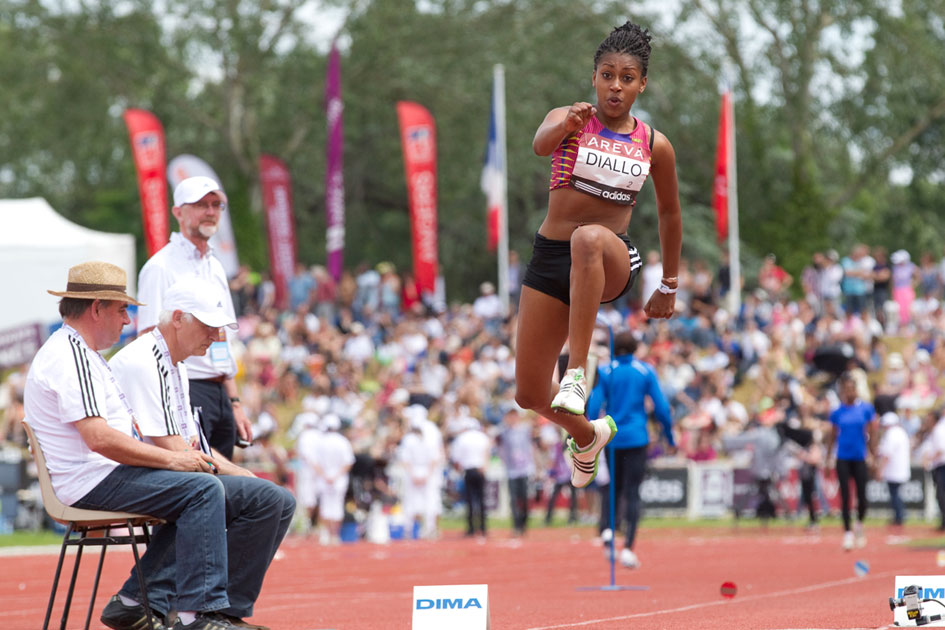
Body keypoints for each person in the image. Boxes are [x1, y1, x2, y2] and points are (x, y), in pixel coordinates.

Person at [514, 21, 681, 489]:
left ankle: (577, 373)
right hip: (551, 258)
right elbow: (540, 145)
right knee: (529, 393)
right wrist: (565, 125)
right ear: (594, 78)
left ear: (641, 84)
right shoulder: (569, 117)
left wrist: (669, 283)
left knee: (587, 237)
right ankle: (589, 435)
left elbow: (670, 213)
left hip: (610, 257)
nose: (615, 86)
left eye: (627, 78)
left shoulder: (654, 144)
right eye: (607, 75)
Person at [24, 262, 236, 630]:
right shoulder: (71, 355)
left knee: (199, 490)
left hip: (96, 476)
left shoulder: (81, 352)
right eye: (122, 309)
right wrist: (173, 460)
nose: (127, 320)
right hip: (89, 481)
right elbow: (99, 438)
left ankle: (136, 601)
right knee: (202, 491)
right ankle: (194, 616)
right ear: (96, 309)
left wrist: (173, 462)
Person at [109, 276, 296, 629]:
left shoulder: (175, 364)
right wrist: (230, 475)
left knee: (275, 498)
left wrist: (240, 473)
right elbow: (170, 446)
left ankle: (212, 610)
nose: (216, 335)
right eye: (208, 326)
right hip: (131, 475)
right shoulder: (143, 361)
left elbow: (194, 445)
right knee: (214, 492)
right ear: (178, 318)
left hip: (157, 471)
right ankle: (191, 611)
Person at [137, 176, 252, 460]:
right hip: (187, 387)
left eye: (216, 205)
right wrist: (169, 403)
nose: (211, 211)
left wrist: (234, 402)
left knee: (223, 479)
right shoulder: (160, 267)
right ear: (178, 212)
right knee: (201, 476)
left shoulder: (215, 266)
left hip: (219, 391)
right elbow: (148, 341)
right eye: (201, 204)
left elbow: (223, 337)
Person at [586, 331, 674, 569]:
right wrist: (669, 435)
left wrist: (590, 432)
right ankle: (627, 548)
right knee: (633, 493)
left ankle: (608, 532)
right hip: (636, 438)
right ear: (636, 348)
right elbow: (661, 407)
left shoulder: (605, 371)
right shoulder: (645, 370)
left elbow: (594, 405)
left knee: (612, 488)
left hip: (611, 438)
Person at [827, 372, 878, 550]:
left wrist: (873, 456)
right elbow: (832, 436)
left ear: (856, 390)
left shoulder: (866, 409)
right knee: (845, 496)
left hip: (860, 457)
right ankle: (847, 532)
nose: (849, 392)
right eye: (846, 389)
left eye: (851, 388)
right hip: (842, 458)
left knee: (862, 497)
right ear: (842, 390)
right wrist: (828, 459)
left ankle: (859, 524)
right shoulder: (837, 412)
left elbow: (872, 434)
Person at [449, 417, 492, 538]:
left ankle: (471, 529)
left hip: (468, 470)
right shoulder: (482, 437)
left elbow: (456, 457)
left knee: (470, 500)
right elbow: (487, 452)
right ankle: (483, 528)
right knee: (482, 500)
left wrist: (459, 469)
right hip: (481, 469)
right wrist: (485, 466)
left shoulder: (461, 438)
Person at [496, 406, 536, 536]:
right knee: (513, 499)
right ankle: (516, 526)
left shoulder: (525, 430)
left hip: (525, 469)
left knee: (524, 498)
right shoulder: (504, 432)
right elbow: (499, 445)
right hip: (511, 471)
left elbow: (532, 444)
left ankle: (524, 523)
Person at [876, 411, 910, 527]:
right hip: (899, 469)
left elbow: (887, 454)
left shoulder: (891, 434)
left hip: (894, 469)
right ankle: (898, 516)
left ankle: (899, 517)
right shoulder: (901, 432)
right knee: (896, 493)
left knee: (895, 494)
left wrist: (880, 470)